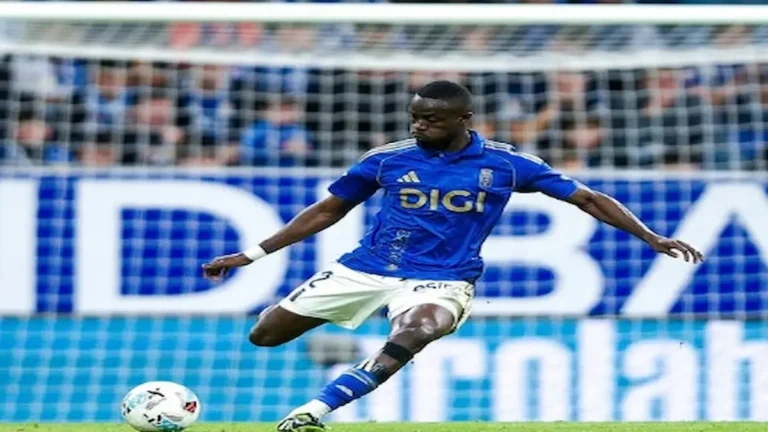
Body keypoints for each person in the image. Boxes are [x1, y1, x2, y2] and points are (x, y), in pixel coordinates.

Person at [202, 80, 703, 432]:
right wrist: (252, 254)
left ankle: (314, 409)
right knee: (265, 335)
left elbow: (589, 198)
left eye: (432, 119)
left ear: (464, 120)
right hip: (365, 267)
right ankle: (345, 341)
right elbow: (328, 209)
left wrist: (652, 237)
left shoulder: (507, 164)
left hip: (445, 278)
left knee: (419, 328)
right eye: (415, 117)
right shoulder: (387, 159)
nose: (420, 125)